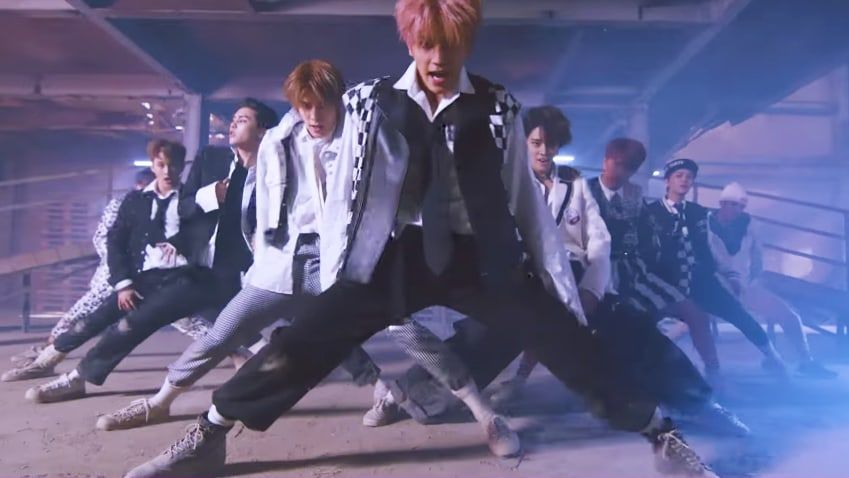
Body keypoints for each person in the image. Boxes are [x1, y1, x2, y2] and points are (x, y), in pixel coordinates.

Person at [123, 2, 716, 477]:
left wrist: (560, 288)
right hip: (394, 253)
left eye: (451, 44)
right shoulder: (367, 102)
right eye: (428, 43)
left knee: (565, 336)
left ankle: (660, 434)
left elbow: (526, 203)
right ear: (409, 41)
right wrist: (338, 277)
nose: (439, 57)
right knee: (303, 341)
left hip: (478, 256)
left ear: (467, 45)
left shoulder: (497, 107)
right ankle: (210, 433)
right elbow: (342, 193)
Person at [369, 107, 746, 440]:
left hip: (573, 283)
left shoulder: (575, 185)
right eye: (535, 143)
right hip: (517, 286)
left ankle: (699, 403)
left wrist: (593, 292)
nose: (543, 151)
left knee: (630, 324)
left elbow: (599, 243)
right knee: (481, 337)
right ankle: (407, 396)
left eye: (550, 144)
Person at [96, 60, 381, 432]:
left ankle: (389, 391)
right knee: (221, 334)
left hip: (331, 259)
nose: (313, 115)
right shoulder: (274, 147)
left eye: (322, 105)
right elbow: (235, 212)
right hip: (276, 264)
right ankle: (159, 402)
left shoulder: (356, 139)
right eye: (305, 105)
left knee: (371, 324)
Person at [1, 169, 230, 383]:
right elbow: (106, 239)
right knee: (83, 317)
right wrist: (122, 272)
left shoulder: (175, 205)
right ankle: (47, 356)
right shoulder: (124, 204)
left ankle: (233, 349)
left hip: (157, 280)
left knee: (187, 321)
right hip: (114, 277)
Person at [641, 159, 786, 376]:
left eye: (689, 177)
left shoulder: (699, 213)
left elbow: (713, 247)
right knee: (652, 319)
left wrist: (731, 274)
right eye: (679, 176)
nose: (684, 180)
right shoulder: (650, 213)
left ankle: (773, 357)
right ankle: (650, 368)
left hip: (701, 280)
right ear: (667, 181)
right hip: (667, 281)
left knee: (738, 314)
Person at [708, 182, 836, 378]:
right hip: (713, 287)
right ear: (721, 204)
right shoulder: (704, 225)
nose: (733, 209)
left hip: (743, 287)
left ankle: (805, 361)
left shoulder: (749, 225)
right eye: (729, 204)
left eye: (738, 206)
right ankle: (702, 372)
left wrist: (753, 281)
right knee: (692, 322)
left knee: (788, 315)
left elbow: (757, 257)